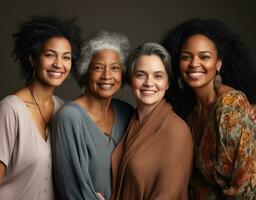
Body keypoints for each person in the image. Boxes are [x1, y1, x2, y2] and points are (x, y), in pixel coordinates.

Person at [162, 19, 256, 199]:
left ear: (218, 64)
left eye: (204, 56)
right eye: (186, 56)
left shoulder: (230, 105)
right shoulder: (186, 110)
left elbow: (246, 188)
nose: (193, 64)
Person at [0, 15, 82, 200]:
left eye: (66, 57)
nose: (59, 64)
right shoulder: (10, 110)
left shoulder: (67, 111)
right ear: (32, 58)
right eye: (50, 55)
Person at [51, 31, 134, 200]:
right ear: (85, 71)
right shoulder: (69, 118)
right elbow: (71, 191)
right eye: (98, 68)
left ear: (122, 74)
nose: (106, 76)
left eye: (114, 68)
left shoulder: (127, 112)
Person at [111, 43, 193, 200]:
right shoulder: (132, 120)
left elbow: (167, 195)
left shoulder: (176, 130)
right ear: (131, 80)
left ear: (168, 83)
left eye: (158, 76)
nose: (149, 83)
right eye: (141, 75)